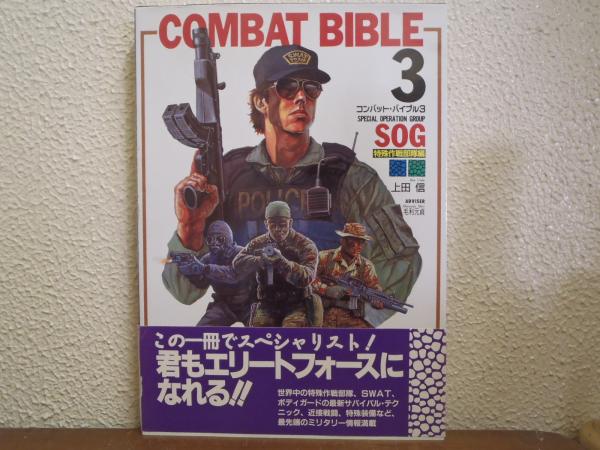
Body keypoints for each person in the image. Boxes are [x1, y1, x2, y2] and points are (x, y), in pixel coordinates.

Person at [163, 44, 421, 327]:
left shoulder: (349, 176)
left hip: (310, 325)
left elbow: (403, 259)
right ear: (261, 101)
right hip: (242, 328)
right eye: (287, 87)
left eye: (311, 88)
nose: (301, 97)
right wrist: (190, 226)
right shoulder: (228, 176)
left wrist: (346, 323)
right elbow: (183, 292)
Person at [232, 201, 320, 327]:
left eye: (283, 225)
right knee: (260, 336)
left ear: (290, 223)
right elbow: (237, 263)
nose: (278, 229)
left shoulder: (305, 245)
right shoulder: (258, 243)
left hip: (296, 304)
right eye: (273, 225)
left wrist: (283, 263)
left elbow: (307, 276)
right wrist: (259, 261)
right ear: (266, 224)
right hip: (267, 304)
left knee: (291, 334)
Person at [163, 220, 254, 326]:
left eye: (219, 239)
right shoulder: (208, 258)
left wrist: (204, 268)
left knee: (263, 330)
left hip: (249, 305)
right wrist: (190, 271)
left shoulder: (241, 253)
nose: (214, 243)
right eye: (210, 239)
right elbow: (201, 283)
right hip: (223, 305)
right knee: (201, 331)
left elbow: (233, 274)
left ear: (228, 238)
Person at [313, 223, 386, 328]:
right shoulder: (324, 257)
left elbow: (374, 287)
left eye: (361, 242)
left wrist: (378, 298)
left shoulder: (367, 266)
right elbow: (308, 280)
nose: (358, 246)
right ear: (342, 240)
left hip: (351, 317)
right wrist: (326, 290)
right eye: (353, 241)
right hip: (322, 313)